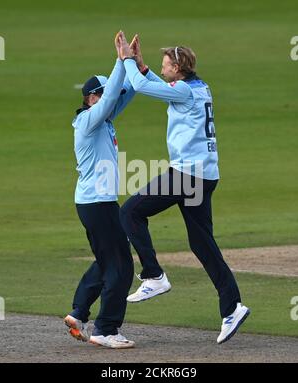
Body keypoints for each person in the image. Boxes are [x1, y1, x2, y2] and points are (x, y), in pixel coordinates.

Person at [117, 32, 250, 344]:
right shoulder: (198, 87)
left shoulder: (185, 93)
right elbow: (162, 88)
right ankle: (233, 307)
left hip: (187, 174)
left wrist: (126, 59)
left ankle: (153, 275)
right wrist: (143, 66)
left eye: (165, 65)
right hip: (205, 173)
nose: (163, 69)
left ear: (177, 68)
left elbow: (141, 87)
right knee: (202, 244)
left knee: (130, 213)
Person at [64, 32, 146, 349]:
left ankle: (79, 312)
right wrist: (120, 59)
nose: (109, 98)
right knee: (122, 267)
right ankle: (106, 329)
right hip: (96, 204)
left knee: (106, 259)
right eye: (103, 94)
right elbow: (113, 95)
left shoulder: (103, 119)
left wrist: (134, 65)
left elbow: (123, 95)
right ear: (91, 98)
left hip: (99, 203)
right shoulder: (88, 121)